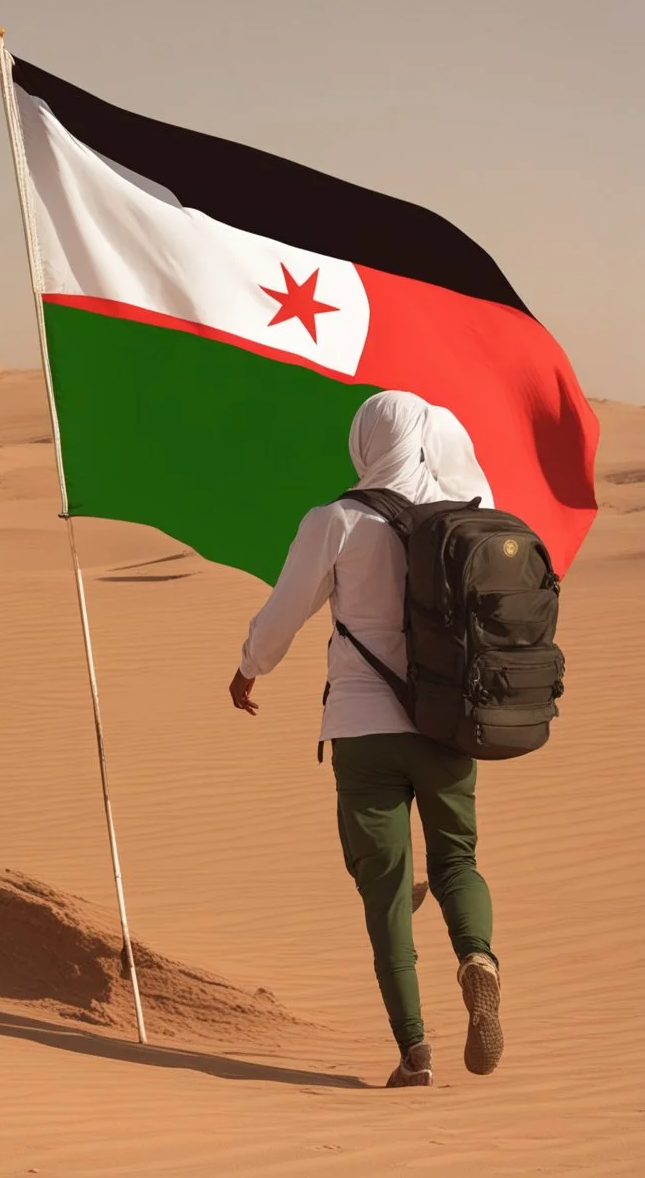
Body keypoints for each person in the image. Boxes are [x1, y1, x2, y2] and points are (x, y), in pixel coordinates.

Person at [229, 390, 503, 1088]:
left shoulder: (337, 521)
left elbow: (284, 611)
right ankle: (478, 959)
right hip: (447, 727)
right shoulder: (470, 515)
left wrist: (248, 669)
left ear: (362, 443)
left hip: (363, 730)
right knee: (456, 862)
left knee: (382, 891)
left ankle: (415, 1053)